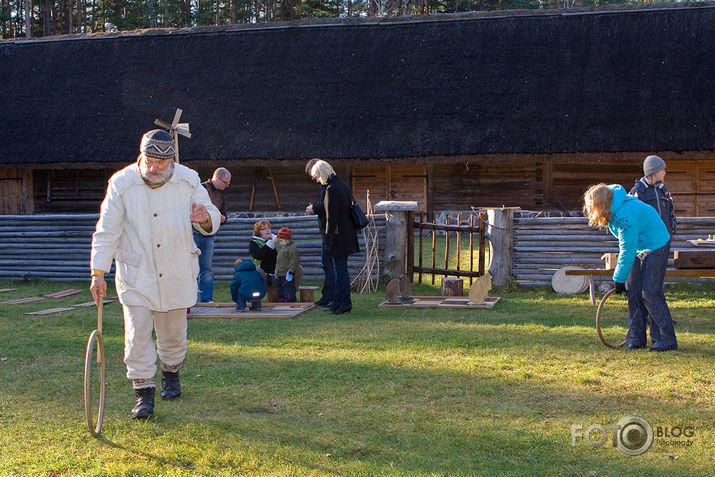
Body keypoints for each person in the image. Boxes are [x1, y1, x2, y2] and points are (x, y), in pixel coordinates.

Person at [90, 129, 221, 419]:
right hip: (137, 272)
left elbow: (211, 213)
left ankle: (170, 372)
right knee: (137, 335)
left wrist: (205, 218)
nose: (153, 168)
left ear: (172, 161)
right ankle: (143, 393)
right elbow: (106, 230)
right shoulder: (122, 183)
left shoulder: (187, 180)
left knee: (173, 336)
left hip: (176, 269)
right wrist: (98, 271)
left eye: (160, 163)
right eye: (149, 160)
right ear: (142, 155)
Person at [583, 183, 677, 352]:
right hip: (639, 245)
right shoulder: (610, 200)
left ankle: (665, 339)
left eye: (591, 205)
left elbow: (627, 249)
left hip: (656, 244)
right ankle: (636, 337)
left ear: (601, 203)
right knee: (632, 290)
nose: (588, 208)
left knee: (650, 292)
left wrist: (618, 279)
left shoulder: (625, 215)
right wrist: (623, 282)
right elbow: (629, 247)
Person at [305, 159, 359, 314]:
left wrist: (329, 240)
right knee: (340, 269)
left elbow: (331, 218)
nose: (316, 180)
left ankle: (344, 303)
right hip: (346, 233)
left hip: (338, 235)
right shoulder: (342, 185)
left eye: (315, 176)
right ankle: (339, 301)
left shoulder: (331, 189)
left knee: (339, 270)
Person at [193, 167, 231, 303]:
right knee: (190, 267)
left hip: (209, 236)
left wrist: (222, 218)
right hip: (194, 233)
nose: (227, 186)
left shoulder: (220, 195)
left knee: (206, 269)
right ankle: (188, 299)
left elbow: (225, 214)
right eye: (225, 182)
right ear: (217, 178)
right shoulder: (200, 189)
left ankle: (206, 298)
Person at [274, 227, 300, 302]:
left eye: (281, 241)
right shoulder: (283, 248)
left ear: (287, 240)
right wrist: (277, 271)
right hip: (280, 273)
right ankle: (282, 299)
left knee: (288, 288)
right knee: (281, 288)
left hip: (287, 273)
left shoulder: (292, 249)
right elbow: (279, 261)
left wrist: (291, 271)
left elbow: (294, 261)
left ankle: (290, 299)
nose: (280, 243)